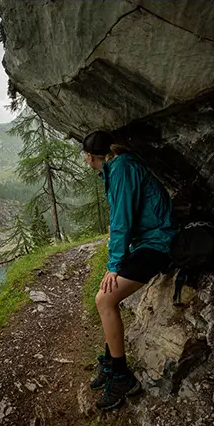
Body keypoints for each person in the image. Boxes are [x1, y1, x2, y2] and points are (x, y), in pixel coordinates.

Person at [82, 130, 178, 410]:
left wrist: (114, 265)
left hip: (159, 243)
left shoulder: (122, 169)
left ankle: (123, 376)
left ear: (89, 157)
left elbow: (122, 219)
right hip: (147, 242)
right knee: (105, 295)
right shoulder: (117, 167)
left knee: (105, 298)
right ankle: (112, 363)